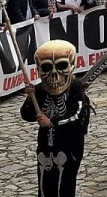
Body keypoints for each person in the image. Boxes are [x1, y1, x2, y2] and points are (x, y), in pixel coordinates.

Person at [22, 40, 90, 197]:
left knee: (64, 186)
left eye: (61, 67)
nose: (54, 75)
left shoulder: (75, 87)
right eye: (46, 68)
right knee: (45, 187)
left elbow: (77, 115)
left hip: (69, 146)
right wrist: (30, 98)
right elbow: (27, 115)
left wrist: (52, 123)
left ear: (71, 66)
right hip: (45, 147)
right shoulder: (41, 90)